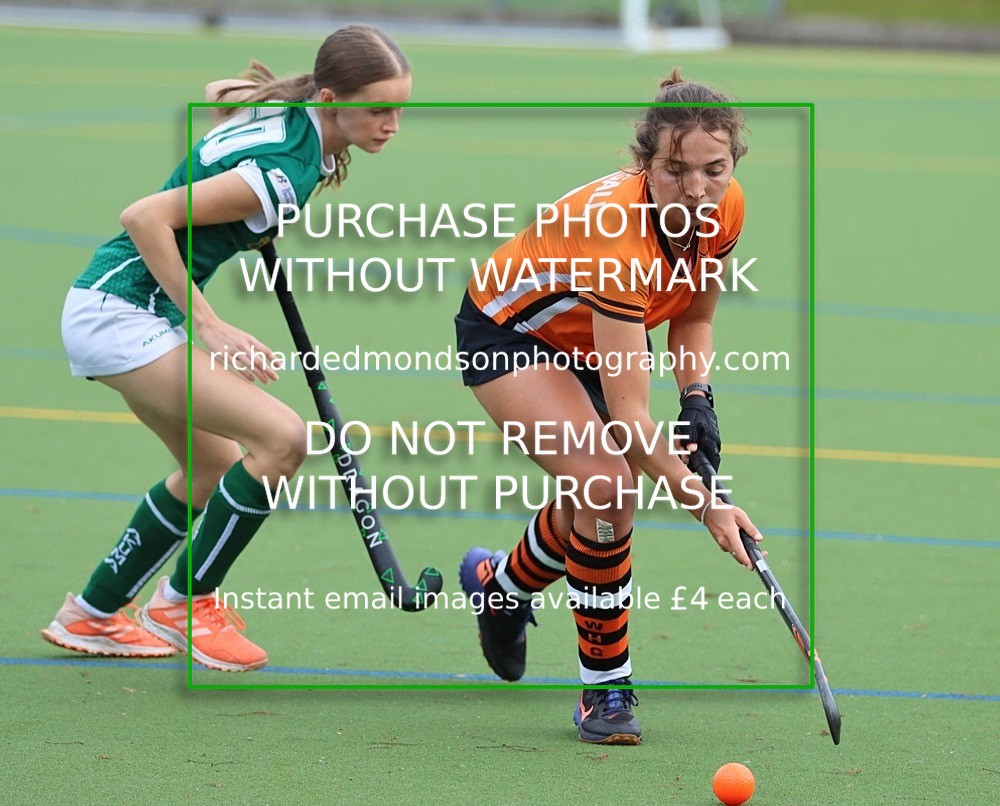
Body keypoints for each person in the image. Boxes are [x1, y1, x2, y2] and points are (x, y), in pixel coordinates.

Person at [41, 25, 411, 672]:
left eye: (400, 109)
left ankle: (93, 614)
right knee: (283, 439)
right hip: (121, 311)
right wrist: (210, 325)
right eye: (379, 108)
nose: (392, 125)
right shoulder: (286, 169)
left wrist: (241, 182)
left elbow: (221, 93)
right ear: (329, 99)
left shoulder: (292, 115)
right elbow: (144, 216)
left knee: (209, 467)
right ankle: (184, 603)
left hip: (124, 308)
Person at [455, 69, 763, 743]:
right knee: (606, 483)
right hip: (513, 331)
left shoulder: (726, 208)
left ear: (732, 164)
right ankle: (605, 690)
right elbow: (630, 421)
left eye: (714, 170)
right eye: (676, 171)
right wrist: (707, 505)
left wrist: (698, 399)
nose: (697, 190)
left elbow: (693, 318)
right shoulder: (618, 236)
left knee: (595, 493)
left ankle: (500, 586)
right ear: (645, 163)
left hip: (596, 332)